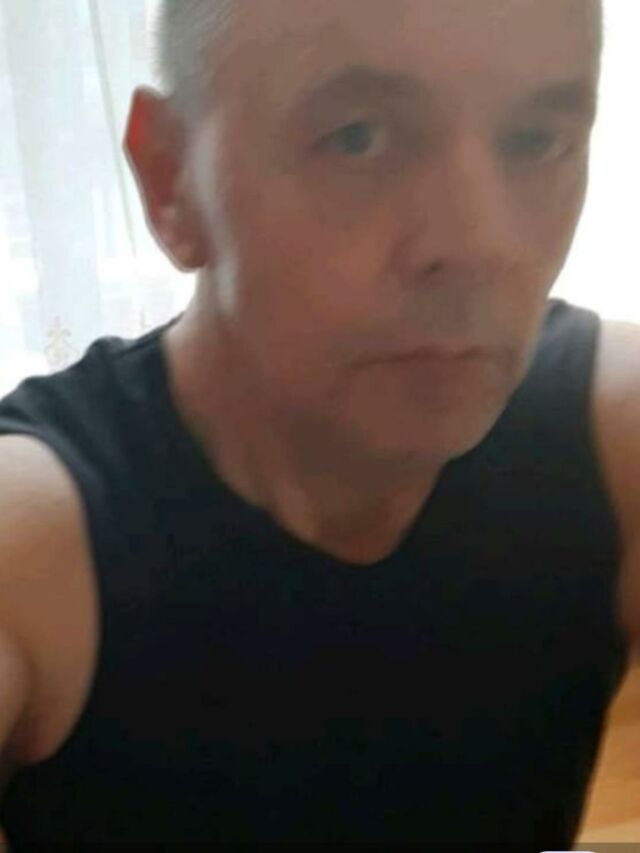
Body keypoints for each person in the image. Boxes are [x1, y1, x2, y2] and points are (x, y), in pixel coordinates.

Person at [0, 0, 635, 847]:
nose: (480, 243)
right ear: (171, 179)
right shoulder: (41, 531)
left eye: (534, 141)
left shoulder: (608, 431)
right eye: (358, 138)